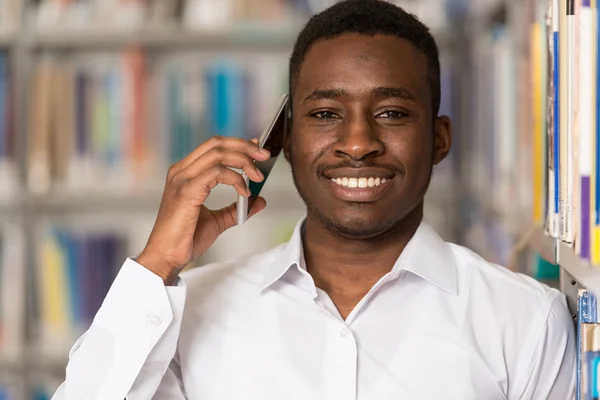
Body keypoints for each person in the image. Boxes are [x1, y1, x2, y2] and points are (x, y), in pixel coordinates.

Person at [51, 0, 576, 399]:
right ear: (284, 141)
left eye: (392, 112)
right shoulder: (186, 316)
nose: (357, 143)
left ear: (440, 139)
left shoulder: (526, 322)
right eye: (325, 114)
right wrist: (155, 266)